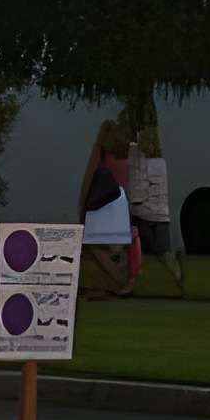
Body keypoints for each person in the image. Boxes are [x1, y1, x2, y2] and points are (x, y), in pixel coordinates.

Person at [78, 118, 136, 298]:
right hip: (113, 202)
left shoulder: (102, 155)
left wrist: (82, 210)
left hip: (100, 205)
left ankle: (102, 284)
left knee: (97, 248)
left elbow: (88, 182)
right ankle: (114, 283)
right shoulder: (122, 155)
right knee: (111, 249)